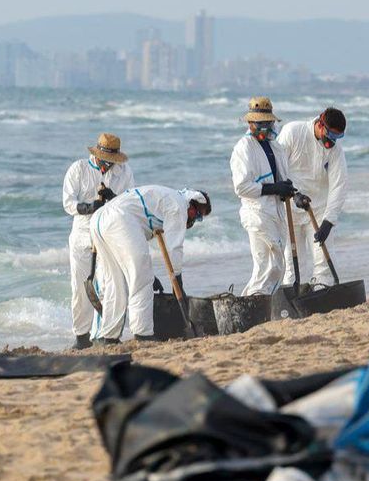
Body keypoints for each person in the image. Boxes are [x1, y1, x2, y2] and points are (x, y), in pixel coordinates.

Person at [88, 186, 210, 343]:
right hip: (119, 219)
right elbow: (175, 248)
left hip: (100, 218)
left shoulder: (169, 197)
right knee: (142, 278)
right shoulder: (180, 206)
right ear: (192, 205)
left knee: (115, 281)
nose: (195, 219)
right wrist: (177, 283)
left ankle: (109, 337)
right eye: (198, 215)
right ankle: (143, 333)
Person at [61, 133, 135, 349]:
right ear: (97, 155)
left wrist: (113, 198)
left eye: (112, 161)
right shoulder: (79, 169)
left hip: (108, 233)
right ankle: (81, 337)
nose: (109, 165)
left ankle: (106, 334)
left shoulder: (124, 172)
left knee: (110, 284)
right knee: (80, 286)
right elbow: (68, 202)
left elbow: (130, 201)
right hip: (82, 233)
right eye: (105, 160)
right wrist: (88, 207)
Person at [229, 96, 297, 295]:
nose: (265, 127)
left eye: (267, 123)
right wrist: (275, 189)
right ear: (251, 123)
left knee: (275, 265)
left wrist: (292, 191)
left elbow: (282, 178)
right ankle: (254, 301)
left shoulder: (275, 147)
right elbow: (241, 187)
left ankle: (260, 302)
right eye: (260, 124)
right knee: (269, 265)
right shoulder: (244, 147)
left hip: (276, 212)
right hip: (257, 214)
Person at [276, 107, 348, 288]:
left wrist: (329, 222)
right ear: (321, 125)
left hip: (318, 210)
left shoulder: (335, 150)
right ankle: (293, 295)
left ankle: (321, 291)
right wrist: (294, 194)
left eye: (338, 138)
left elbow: (339, 185)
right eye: (331, 136)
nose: (333, 142)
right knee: (293, 264)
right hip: (290, 210)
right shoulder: (293, 132)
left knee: (322, 261)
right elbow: (278, 169)